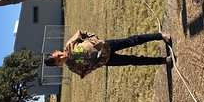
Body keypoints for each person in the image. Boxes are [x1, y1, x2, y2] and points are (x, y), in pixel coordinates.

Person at [44, 30, 172, 79]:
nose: (62, 57)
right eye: (59, 61)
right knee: (135, 60)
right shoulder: (73, 66)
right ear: (59, 66)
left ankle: (161, 36)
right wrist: (98, 63)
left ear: (57, 51)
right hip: (109, 60)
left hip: (107, 45)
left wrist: (94, 38)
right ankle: (163, 60)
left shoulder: (69, 45)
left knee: (134, 40)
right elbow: (86, 70)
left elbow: (80, 33)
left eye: (58, 56)